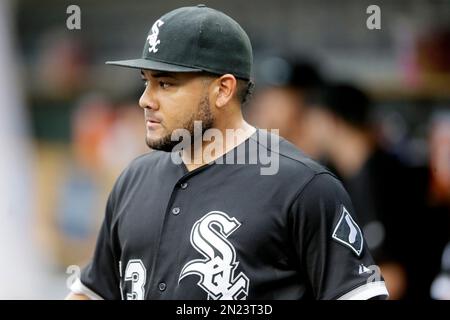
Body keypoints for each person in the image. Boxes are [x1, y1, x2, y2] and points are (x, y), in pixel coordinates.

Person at [66, 5, 388, 300]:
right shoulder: (134, 179)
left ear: (223, 90)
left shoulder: (303, 185)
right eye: (146, 81)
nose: (146, 99)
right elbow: (91, 292)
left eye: (165, 83)